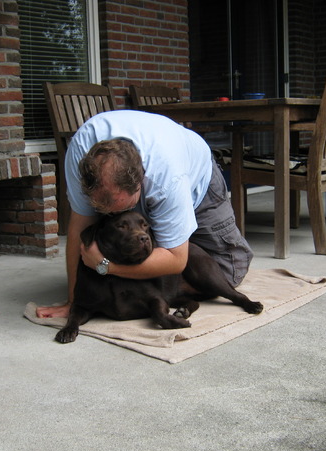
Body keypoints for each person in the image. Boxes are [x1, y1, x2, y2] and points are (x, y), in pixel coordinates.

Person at [36, 110, 253, 319]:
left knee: (226, 274)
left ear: (141, 184)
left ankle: (176, 259)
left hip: (198, 182)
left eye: (120, 207)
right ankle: (168, 251)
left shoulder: (166, 180)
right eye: (103, 208)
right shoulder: (79, 157)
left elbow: (177, 261)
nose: (113, 215)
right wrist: (73, 302)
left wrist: (105, 266)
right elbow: (79, 228)